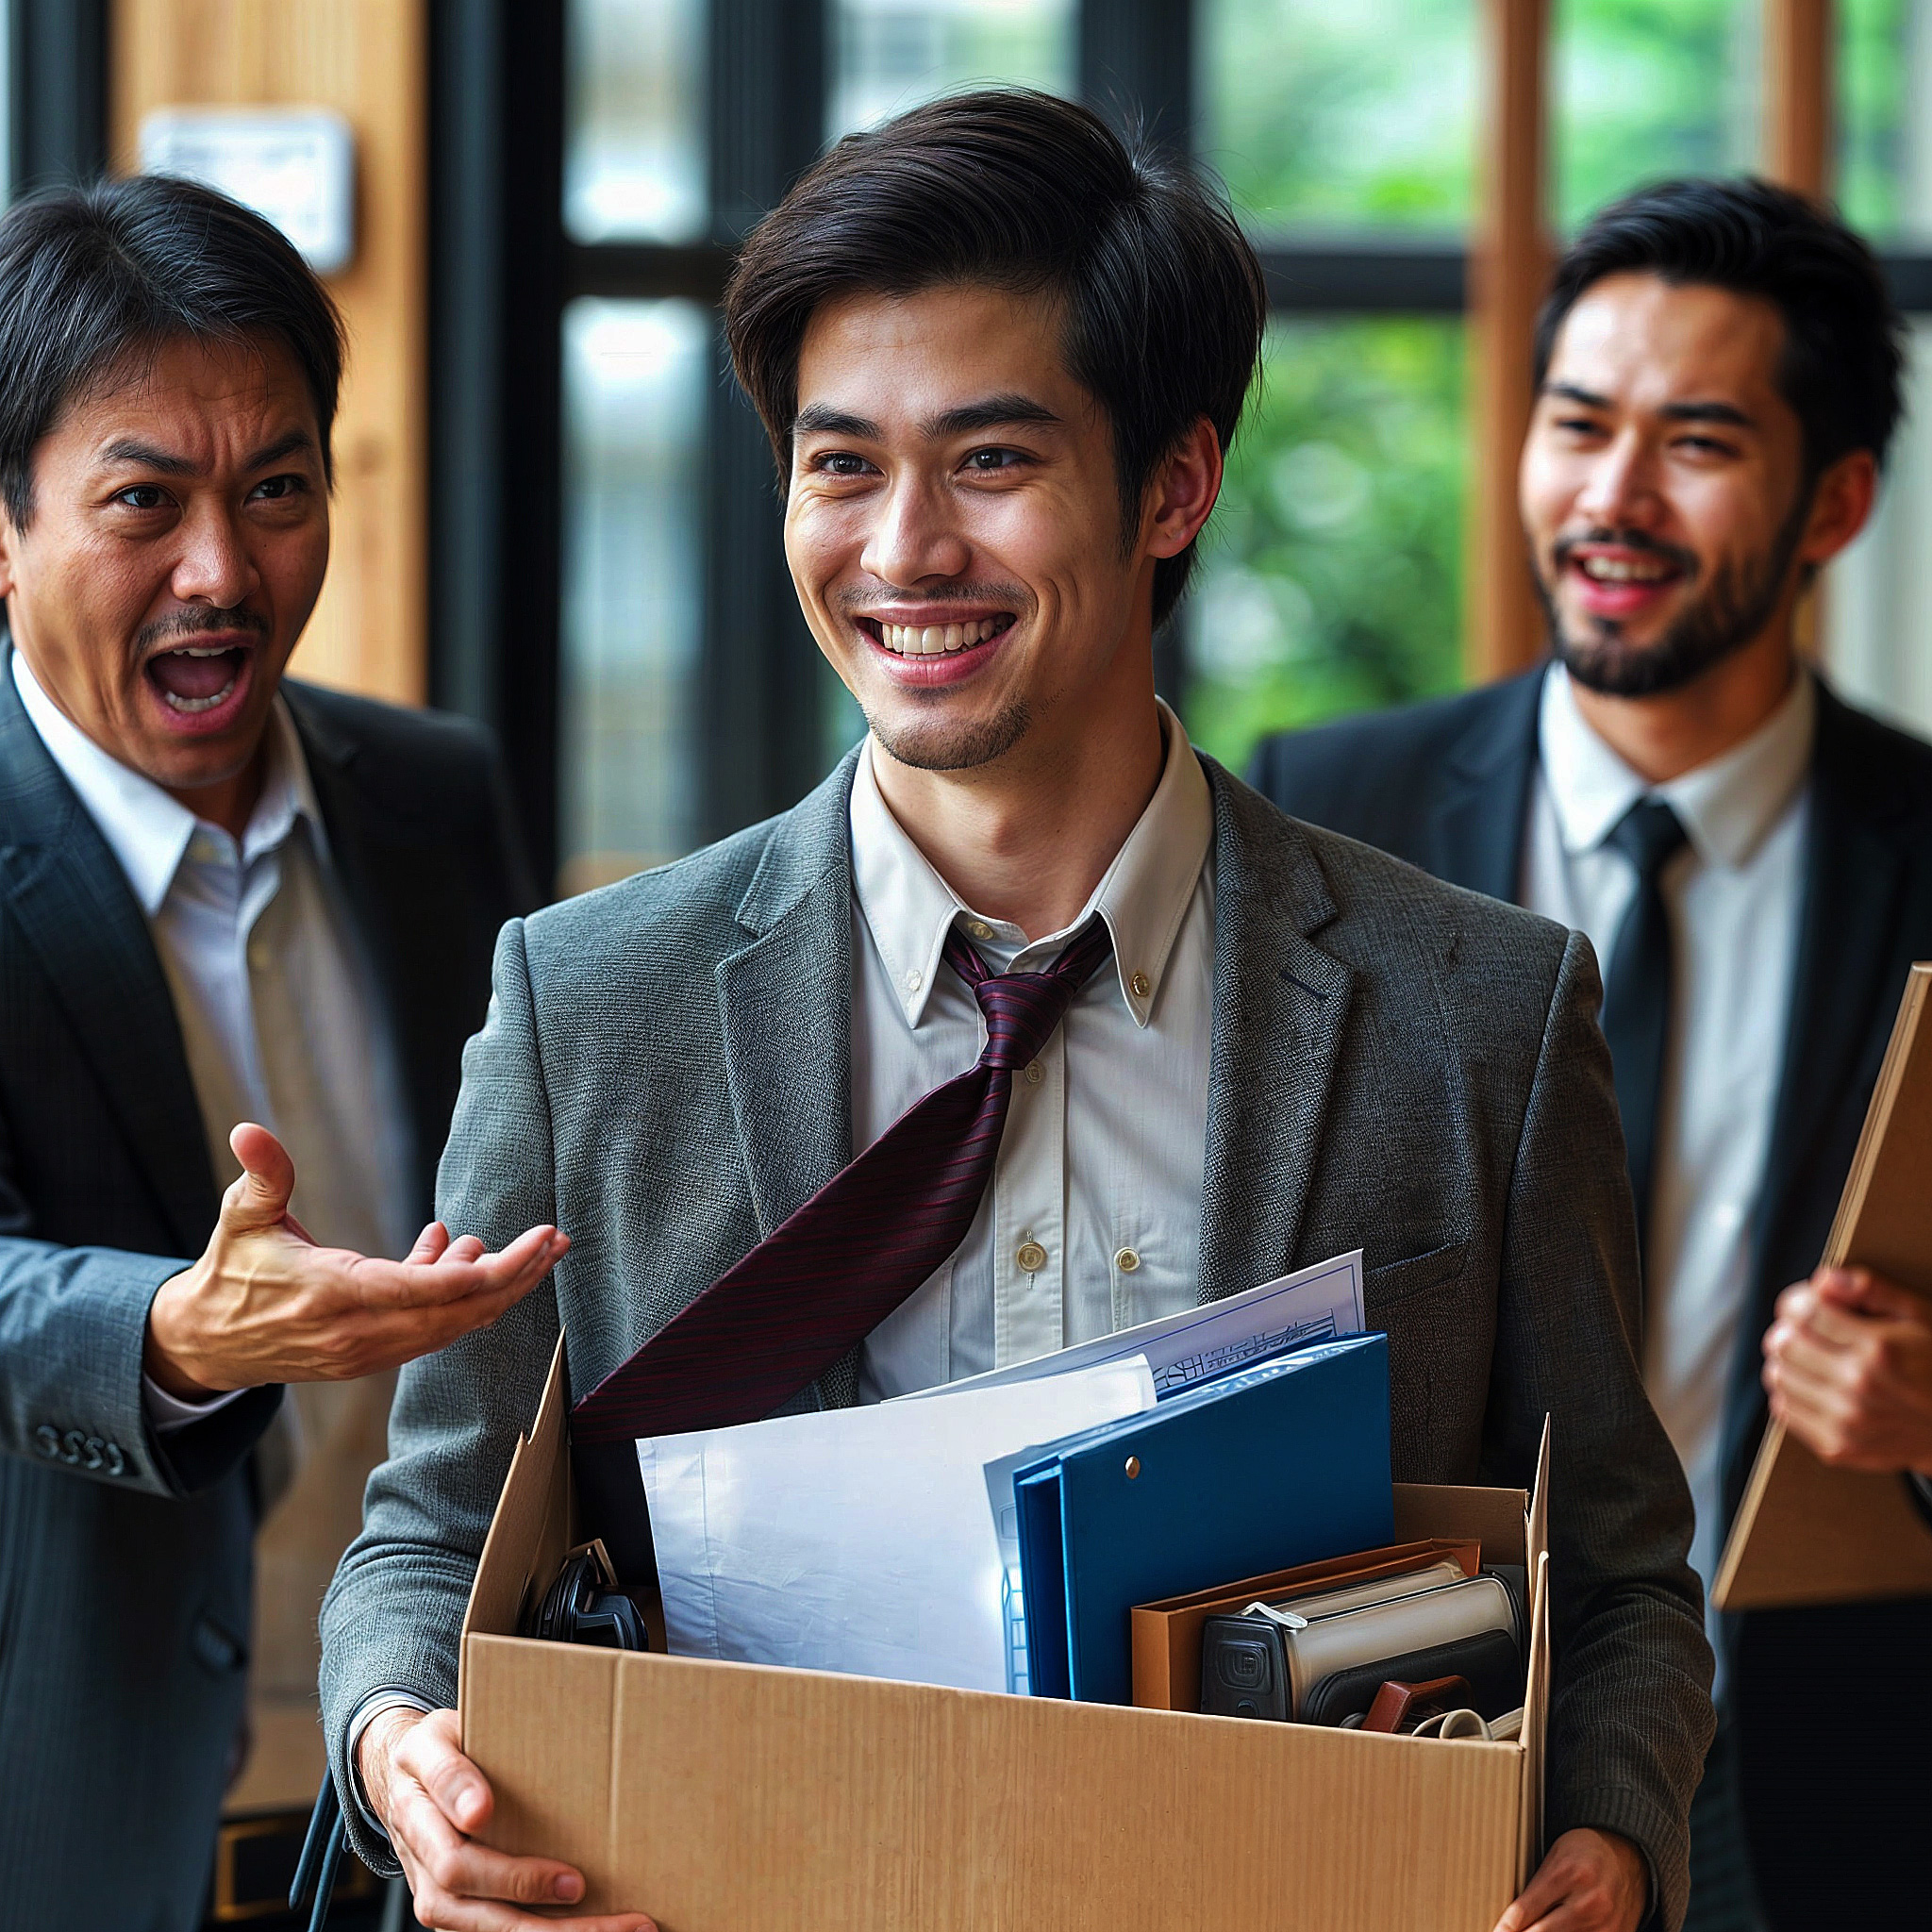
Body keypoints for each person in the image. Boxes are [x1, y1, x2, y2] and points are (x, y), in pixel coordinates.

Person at [321, 92, 1712, 1932]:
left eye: (988, 460)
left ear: (1174, 486)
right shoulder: (587, 1006)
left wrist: (1613, 1836)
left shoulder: (1480, 1012)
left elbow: (1615, 1579)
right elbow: (432, 1535)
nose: (903, 550)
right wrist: (398, 1747)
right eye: (839, 465)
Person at [1248, 177, 1932, 1931]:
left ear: (1838, 502)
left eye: (1697, 442)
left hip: (1836, 1762)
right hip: (1419, 1727)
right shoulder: (1325, 813)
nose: (1613, 497)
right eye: (1577, 424)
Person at [0, 176, 569, 1931]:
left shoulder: (434, 795)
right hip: (72, 1806)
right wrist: (169, 1335)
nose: (222, 573)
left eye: (276, 491)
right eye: (143, 503)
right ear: (4, 528)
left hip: (430, 1790)